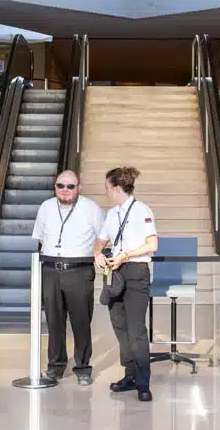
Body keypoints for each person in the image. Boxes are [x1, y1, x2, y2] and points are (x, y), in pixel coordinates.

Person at [32, 170, 104, 384]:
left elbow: (104, 236)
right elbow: (41, 237)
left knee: (81, 321)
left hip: (79, 270)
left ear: (79, 188)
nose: (64, 190)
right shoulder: (45, 207)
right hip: (51, 270)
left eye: (70, 186)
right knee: (54, 321)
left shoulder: (91, 209)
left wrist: (96, 252)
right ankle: (56, 366)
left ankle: (83, 367)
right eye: (60, 185)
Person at [93, 166, 159, 402]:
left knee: (136, 330)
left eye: (107, 187)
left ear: (117, 188)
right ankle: (130, 375)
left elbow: (152, 244)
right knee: (120, 327)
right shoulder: (112, 214)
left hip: (135, 272)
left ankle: (143, 383)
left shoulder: (141, 211)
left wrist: (125, 255)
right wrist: (98, 253)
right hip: (115, 272)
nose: (106, 191)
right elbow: (100, 240)